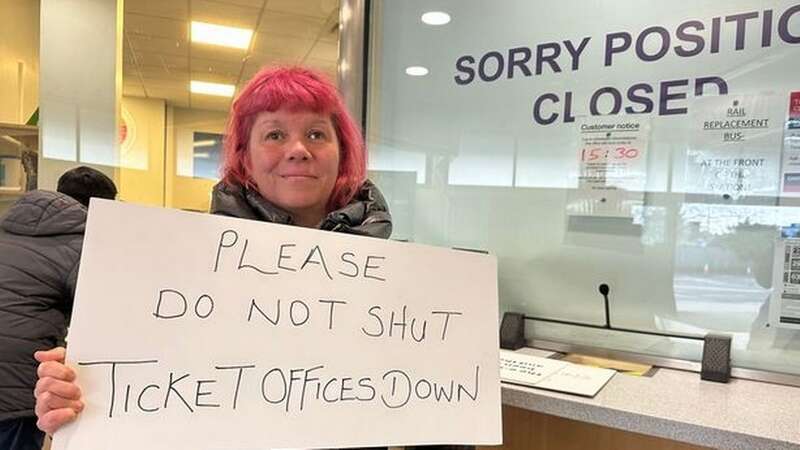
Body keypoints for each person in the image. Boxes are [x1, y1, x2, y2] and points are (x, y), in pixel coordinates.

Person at [33, 66, 393, 436]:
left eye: (316, 133)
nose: (298, 150)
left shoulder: (400, 287)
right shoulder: (173, 270)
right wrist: (73, 401)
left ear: (342, 152)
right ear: (246, 156)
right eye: (275, 134)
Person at [0, 166, 117, 450]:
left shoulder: (8, 226)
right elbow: (104, 320)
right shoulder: (81, 244)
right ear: (102, 209)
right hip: (19, 387)